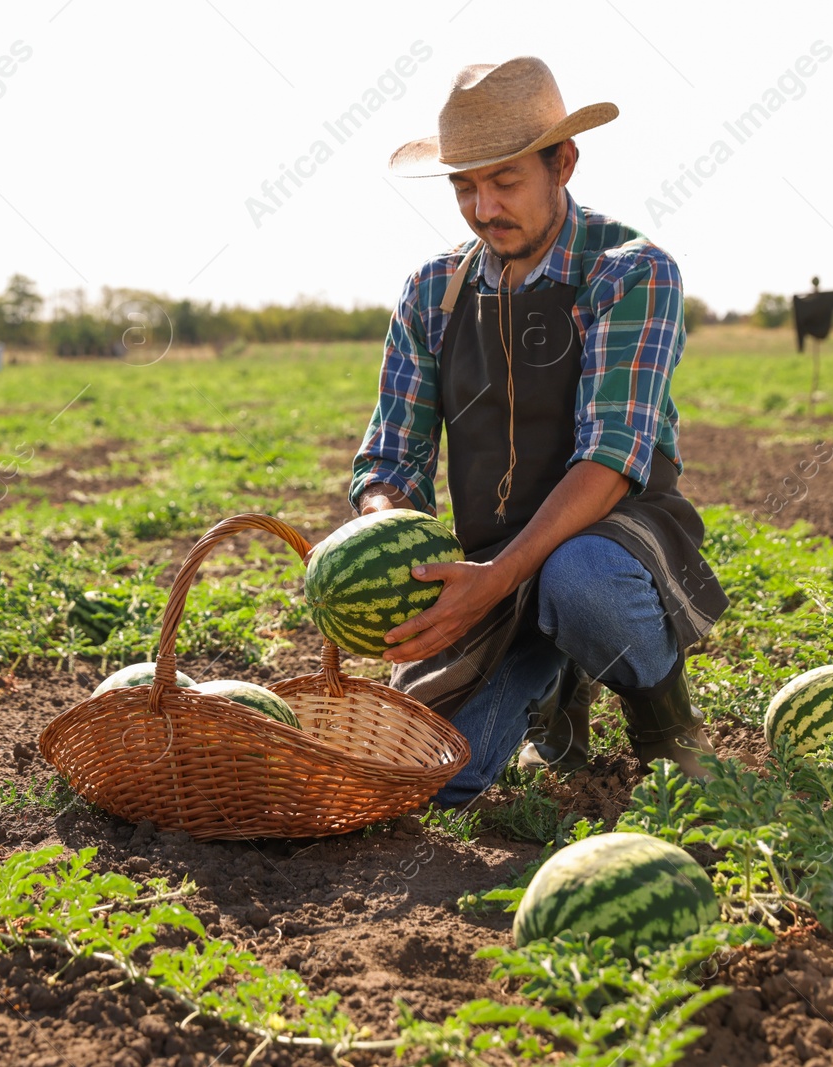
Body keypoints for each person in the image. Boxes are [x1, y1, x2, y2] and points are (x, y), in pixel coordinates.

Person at [349, 56, 729, 805]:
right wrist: (385, 532)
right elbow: (391, 457)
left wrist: (498, 578)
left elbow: (611, 457)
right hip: (488, 566)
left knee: (579, 579)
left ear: (564, 161)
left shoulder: (630, 272)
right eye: (465, 186)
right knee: (439, 781)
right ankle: (554, 704)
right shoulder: (432, 291)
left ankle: (664, 723)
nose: (484, 208)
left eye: (506, 181)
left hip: (609, 543)